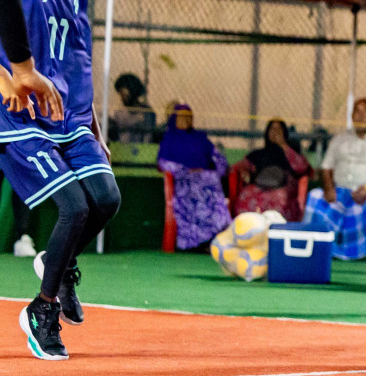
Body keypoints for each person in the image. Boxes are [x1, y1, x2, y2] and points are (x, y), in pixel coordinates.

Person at [7, 0, 121, 362]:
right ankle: (42, 309)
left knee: (108, 199)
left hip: (71, 119)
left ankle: (62, 265)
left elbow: (79, 59)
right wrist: (6, 80)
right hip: (22, 118)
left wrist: (94, 124)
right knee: (73, 207)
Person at [304, 99, 366, 261]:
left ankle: (362, 253)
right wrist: (329, 188)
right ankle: (315, 247)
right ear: (351, 116)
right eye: (357, 111)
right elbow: (326, 167)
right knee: (315, 195)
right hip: (340, 191)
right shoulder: (340, 139)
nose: (361, 116)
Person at [156, 104, 230, 249]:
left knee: (212, 185)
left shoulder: (200, 138)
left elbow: (218, 157)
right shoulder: (169, 139)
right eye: (181, 116)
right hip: (183, 181)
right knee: (199, 190)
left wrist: (218, 169)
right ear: (174, 118)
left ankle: (216, 236)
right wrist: (186, 170)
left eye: (189, 117)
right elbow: (162, 162)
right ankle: (201, 241)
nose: (186, 120)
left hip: (207, 180)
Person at [232, 119, 313, 223]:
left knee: (279, 197)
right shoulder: (258, 154)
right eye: (272, 129)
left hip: (281, 187)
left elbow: (303, 167)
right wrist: (244, 172)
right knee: (246, 195)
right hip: (259, 186)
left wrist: (282, 145)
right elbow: (239, 167)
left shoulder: (290, 154)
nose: (275, 132)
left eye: (278, 129)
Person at [108, 73, 158, 143]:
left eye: (124, 94)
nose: (121, 98)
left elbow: (148, 137)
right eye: (120, 94)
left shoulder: (146, 113)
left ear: (132, 91)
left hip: (139, 150)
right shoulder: (120, 112)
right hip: (121, 149)